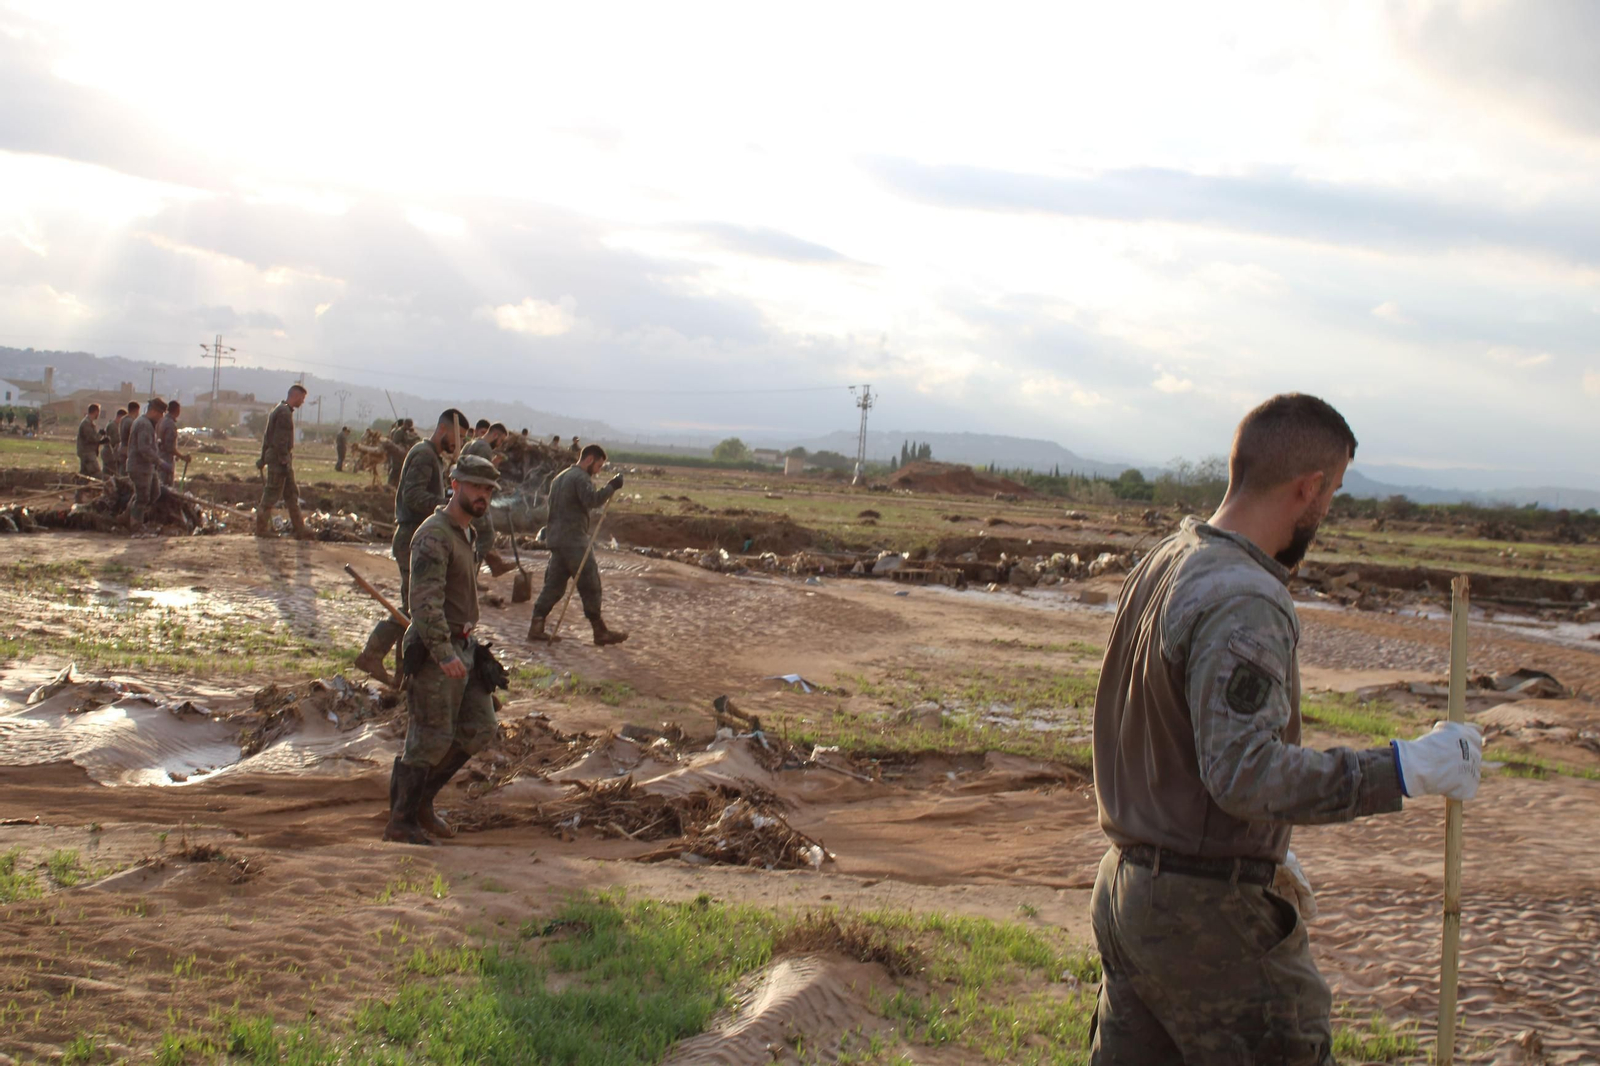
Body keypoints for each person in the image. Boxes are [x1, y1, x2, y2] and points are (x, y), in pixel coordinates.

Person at [1088, 393, 1483, 1064]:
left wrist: (1252, 843)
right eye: (1331, 496)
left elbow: (1173, 738)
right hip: (1207, 918)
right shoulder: (1244, 595)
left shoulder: (1166, 561)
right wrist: (1405, 769)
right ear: (1308, 488)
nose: (1326, 514)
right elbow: (1245, 775)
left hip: (1130, 888)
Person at [383, 453, 503, 845]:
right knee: (428, 736)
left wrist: (467, 649)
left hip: (464, 645)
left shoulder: (466, 532)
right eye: (475, 487)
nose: (482, 496)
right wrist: (443, 652)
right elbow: (424, 603)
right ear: (455, 485)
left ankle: (423, 802)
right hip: (440, 648)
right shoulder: (435, 534)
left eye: (488, 490)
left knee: (480, 727)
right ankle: (401, 821)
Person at [356, 409, 466, 686]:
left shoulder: (431, 456)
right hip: (412, 537)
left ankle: (403, 676)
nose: (459, 444)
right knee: (415, 609)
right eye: (459, 437)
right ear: (444, 431)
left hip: (417, 535)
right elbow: (413, 496)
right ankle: (376, 654)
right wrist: (446, 504)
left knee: (413, 608)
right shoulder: (423, 455)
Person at [526, 444, 627, 646]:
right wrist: (611, 487)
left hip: (556, 540)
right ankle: (600, 631)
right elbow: (592, 500)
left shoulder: (559, 478)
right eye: (598, 465)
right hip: (574, 542)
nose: (598, 470)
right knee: (590, 584)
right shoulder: (580, 478)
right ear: (589, 460)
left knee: (553, 586)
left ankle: (536, 626)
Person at [255, 384, 310, 539]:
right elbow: (280, 441)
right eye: (302, 398)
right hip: (280, 460)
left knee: (291, 494)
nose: (303, 402)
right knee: (271, 494)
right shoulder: (284, 413)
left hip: (279, 458)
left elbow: (267, 437)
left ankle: (300, 529)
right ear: (296, 396)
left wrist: (262, 457)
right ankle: (261, 529)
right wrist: (284, 462)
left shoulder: (278, 409)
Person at [127, 398, 170, 533]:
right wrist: (160, 462)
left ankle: (132, 516)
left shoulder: (148, 424)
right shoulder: (144, 424)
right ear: (153, 411)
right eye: (160, 413)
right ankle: (136, 525)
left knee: (154, 493)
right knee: (143, 497)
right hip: (140, 467)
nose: (162, 417)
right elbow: (144, 448)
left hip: (148, 467)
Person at [157, 399, 187, 487]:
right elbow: (169, 447)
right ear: (177, 410)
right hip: (166, 461)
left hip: (159, 458)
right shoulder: (170, 424)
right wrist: (182, 457)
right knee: (166, 487)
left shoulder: (161, 421)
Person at [75, 403, 102, 478]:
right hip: (87, 453)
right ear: (96, 412)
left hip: (87, 453)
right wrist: (100, 436)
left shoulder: (89, 423)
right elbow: (91, 439)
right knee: (96, 473)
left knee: (85, 475)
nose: (98, 414)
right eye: (98, 412)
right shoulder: (86, 423)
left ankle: (80, 487)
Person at [117, 400, 140, 476]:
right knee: (126, 475)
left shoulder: (123, 419)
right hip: (128, 450)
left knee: (121, 472)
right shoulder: (131, 422)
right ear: (136, 410)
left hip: (121, 448)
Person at [100, 409, 122, 474]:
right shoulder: (113, 426)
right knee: (110, 472)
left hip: (109, 452)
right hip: (109, 453)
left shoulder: (112, 424)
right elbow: (114, 440)